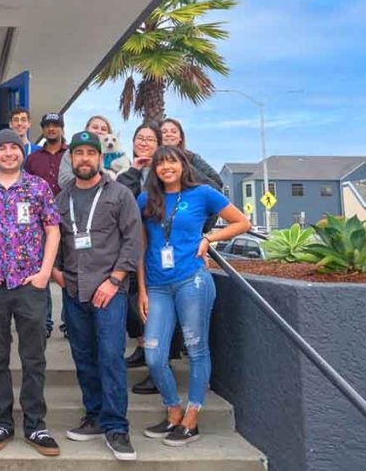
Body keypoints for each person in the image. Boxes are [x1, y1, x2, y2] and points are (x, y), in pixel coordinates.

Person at [137, 145, 250, 446]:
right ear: (155, 170)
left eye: (172, 162)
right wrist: (142, 290)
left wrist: (209, 237)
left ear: (183, 165)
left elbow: (242, 222)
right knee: (153, 355)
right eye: (160, 164)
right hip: (158, 285)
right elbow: (141, 246)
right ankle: (173, 410)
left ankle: (192, 419)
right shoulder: (146, 199)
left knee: (197, 349)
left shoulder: (202, 193)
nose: (166, 168)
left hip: (192, 281)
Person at [0, 129, 61, 457]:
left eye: (13, 148)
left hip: (29, 285)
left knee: (33, 356)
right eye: (1, 149)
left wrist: (45, 273)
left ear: (22, 152)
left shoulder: (38, 187)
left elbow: (52, 230)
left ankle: (35, 423)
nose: (8, 153)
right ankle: (2, 420)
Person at [52, 131, 141, 461]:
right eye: (79, 153)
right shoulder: (61, 199)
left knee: (110, 357)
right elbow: (54, 241)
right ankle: (94, 415)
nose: (85, 158)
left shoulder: (119, 195)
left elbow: (133, 241)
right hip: (74, 291)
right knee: (84, 357)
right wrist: (57, 274)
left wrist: (115, 280)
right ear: (71, 159)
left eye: (91, 153)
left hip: (109, 292)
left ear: (100, 158)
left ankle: (117, 426)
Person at [115, 123, 165, 389]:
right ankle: (143, 347)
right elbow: (120, 196)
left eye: (150, 139)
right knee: (135, 302)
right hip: (132, 246)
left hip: (158, 248)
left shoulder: (164, 170)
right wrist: (135, 168)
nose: (144, 142)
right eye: (139, 138)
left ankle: (159, 366)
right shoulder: (129, 170)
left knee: (157, 307)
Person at [24, 112, 67, 338]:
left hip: (69, 220)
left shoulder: (70, 155)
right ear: (42, 129)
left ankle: (69, 323)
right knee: (43, 270)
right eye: (48, 126)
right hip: (40, 224)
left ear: (62, 128)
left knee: (69, 270)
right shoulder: (33, 159)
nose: (52, 129)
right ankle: (46, 322)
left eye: (55, 125)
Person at [159, 118, 224, 188]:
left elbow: (218, 181)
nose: (169, 134)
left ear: (180, 138)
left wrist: (185, 167)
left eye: (173, 131)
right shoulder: (152, 160)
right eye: (164, 132)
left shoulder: (192, 158)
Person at [59, 115, 113, 189]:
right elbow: (63, 181)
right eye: (95, 127)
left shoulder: (118, 156)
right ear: (86, 129)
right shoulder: (71, 152)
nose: (99, 131)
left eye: (103, 129)